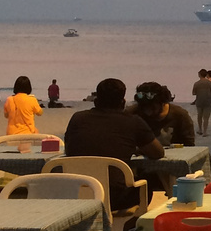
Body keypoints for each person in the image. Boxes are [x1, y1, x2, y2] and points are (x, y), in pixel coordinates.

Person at [65, 78, 164, 209]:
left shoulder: (77, 118)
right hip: (115, 197)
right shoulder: (133, 122)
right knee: (149, 181)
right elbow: (157, 153)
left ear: (96, 101)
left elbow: (69, 149)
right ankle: (128, 226)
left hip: (77, 193)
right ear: (122, 102)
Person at [129, 82, 195, 147]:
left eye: (152, 108)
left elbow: (189, 145)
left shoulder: (180, 115)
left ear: (163, 103)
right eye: (143, 107)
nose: (148, 112)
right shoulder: (132, 113)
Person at [191, 69, 211, 136]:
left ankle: (200, 129)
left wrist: (199, 92)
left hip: (199, 101)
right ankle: (205, 132)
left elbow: (193, 93)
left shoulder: (196, 83)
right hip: (207, 101)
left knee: (199, 115)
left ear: (199, 75)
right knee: (206, 117)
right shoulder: (208, 83)